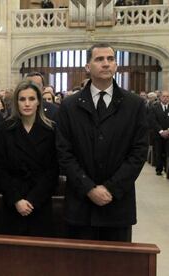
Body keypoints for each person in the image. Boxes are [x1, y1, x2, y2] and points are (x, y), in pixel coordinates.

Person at [56, 43, 148, 242]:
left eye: (110, 59)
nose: (106, 64)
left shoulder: (134, 105)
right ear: (88, 67)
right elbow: (64, 152)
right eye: (99, 59)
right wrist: (88, 188)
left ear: (116, 65)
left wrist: (111, 189)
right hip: (80, 205)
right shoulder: (69, 106)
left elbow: (138, 153)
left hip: (117, 204)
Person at [0, 81, 58, 237]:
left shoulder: (51, 129)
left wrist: (33, 200)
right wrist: (16, 200)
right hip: (13, 201)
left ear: (38, 102)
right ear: (16, 103)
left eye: (31, 99)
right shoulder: (5, 129)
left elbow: (53, 170)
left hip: (40, 202)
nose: (27, 104)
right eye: (22, 99)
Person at [149, 90, 169, 175]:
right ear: (160, 97)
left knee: (168, 152)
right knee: (159, 152)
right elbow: (153, 121)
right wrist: (161, 131)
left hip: (168, 134)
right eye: (164, 96)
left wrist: (168, 131)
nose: (166, 98)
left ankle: (167, 168)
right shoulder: (154, 107)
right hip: (158, 134)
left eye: (167, 96)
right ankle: (159, 169)